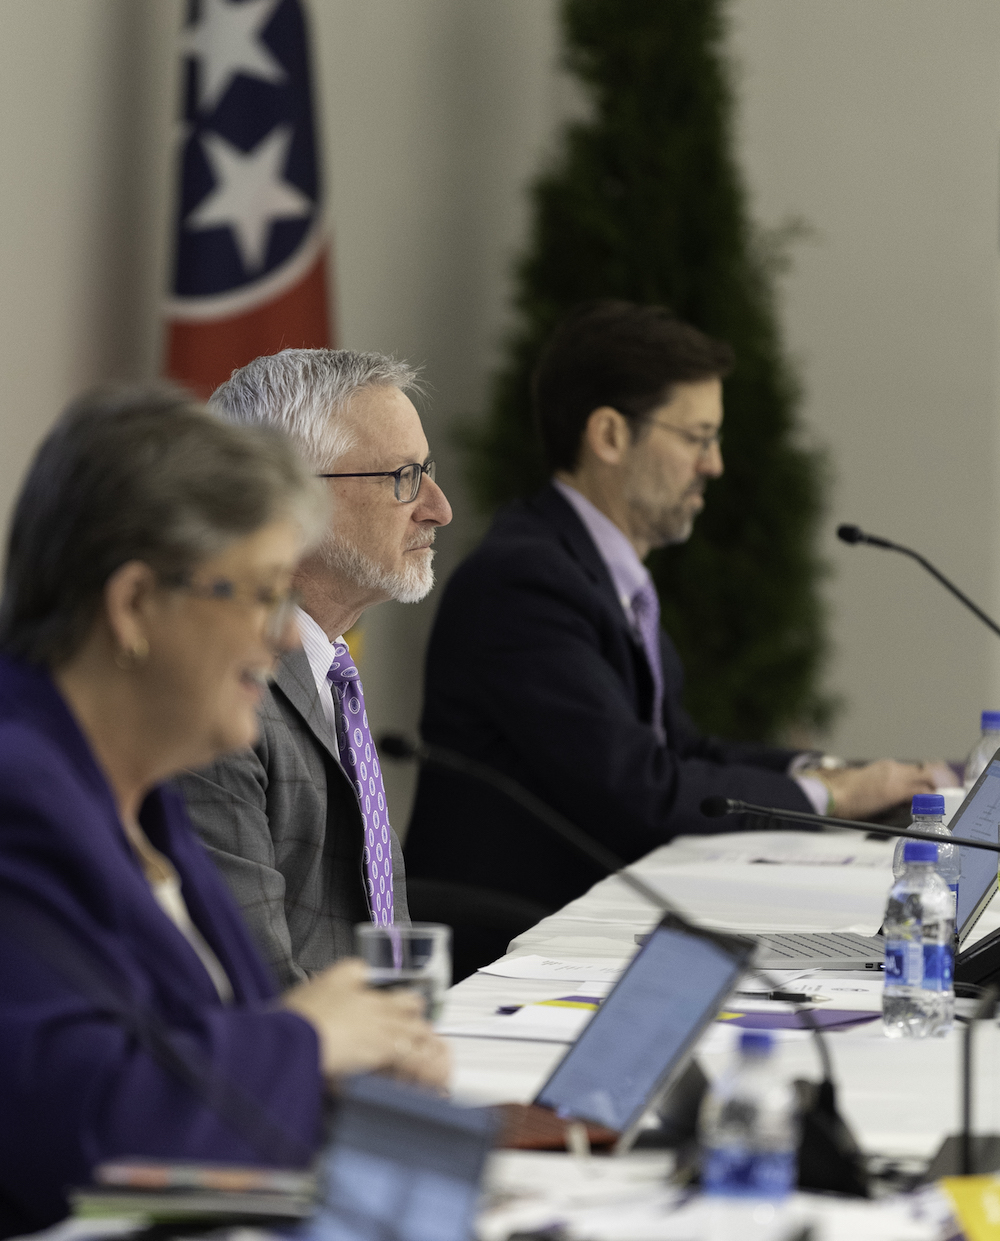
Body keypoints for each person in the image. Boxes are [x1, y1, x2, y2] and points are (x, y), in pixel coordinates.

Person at [0, 384, 446, 1237]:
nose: (284, 635)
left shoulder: (143, 799)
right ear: (134, 606)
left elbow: (216, 1069)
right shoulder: (18, 800)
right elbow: (94, 1143)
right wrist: (310, 1045)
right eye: (257, 594)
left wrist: (351, 1090)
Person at [405, 301, 948, 910]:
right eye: (698, 438)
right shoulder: (525, 581)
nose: (713, 465)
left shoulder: (595, 569)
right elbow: (641, 792)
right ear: (610, 435)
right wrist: (835, 795)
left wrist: (833, 772)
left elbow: (680, 751)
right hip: (509, 944)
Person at [180, 349, 452, 987]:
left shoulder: (330, 674)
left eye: (427, 472)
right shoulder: (219, 698)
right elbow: (258, 984)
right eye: (404, 477)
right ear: (291, 498)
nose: (437, 507)